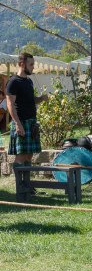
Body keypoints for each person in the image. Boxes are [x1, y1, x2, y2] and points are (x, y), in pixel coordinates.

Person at [5, 52, 48, 183]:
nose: (33, 67)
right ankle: (20, 187)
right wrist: (18, 124)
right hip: (21, 122)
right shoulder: (13, 82)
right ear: (22, 64)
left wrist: (41, 98)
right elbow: (10, 104)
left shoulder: (28, 81)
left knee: (29, 155)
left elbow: (30, 99)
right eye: (31, 64)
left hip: (31, 122)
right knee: (21, 156)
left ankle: (27, 185)